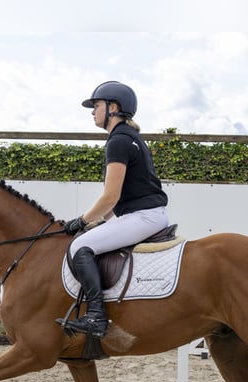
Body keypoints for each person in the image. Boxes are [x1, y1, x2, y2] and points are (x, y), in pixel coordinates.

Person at [58, 80, 169, 339]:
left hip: (143, 217)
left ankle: (96, 316)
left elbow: (110, 196)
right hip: (146, 214)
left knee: (79, 247)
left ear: (113, 107)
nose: (92, 111)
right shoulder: (130, 138)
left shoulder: (118, 141)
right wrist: (99, 221)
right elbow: (117, 199)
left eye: (96, 105)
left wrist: (81, 222)